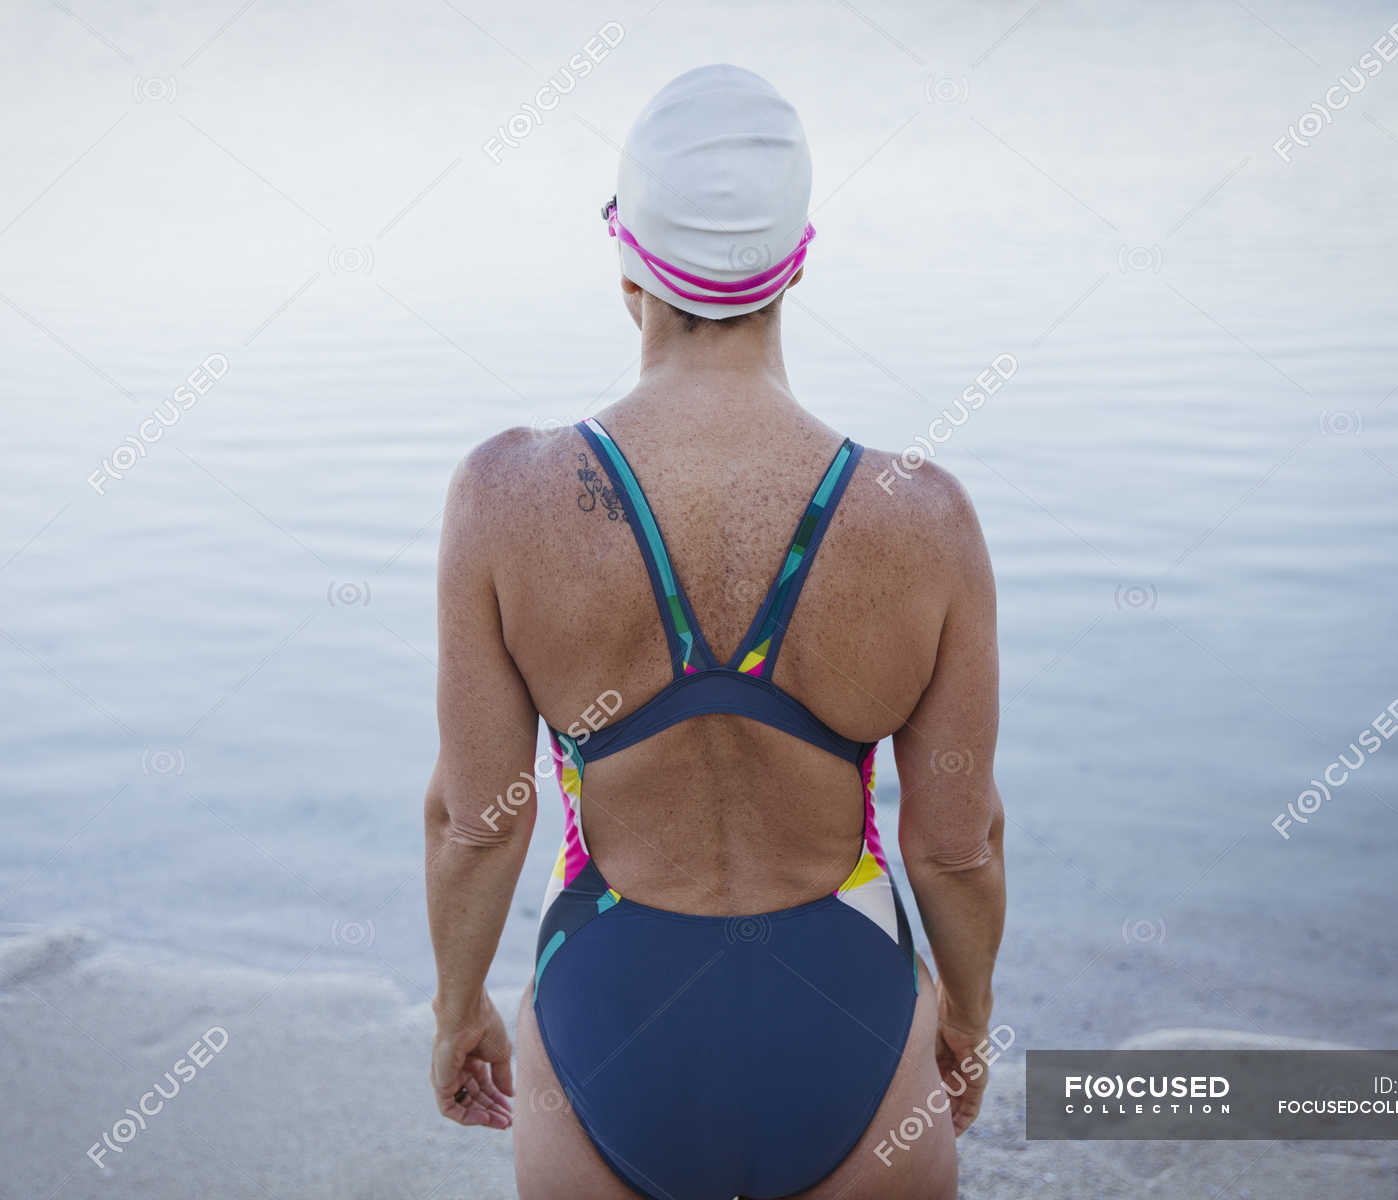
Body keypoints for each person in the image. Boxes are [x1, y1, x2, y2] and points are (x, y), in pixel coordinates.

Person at [424, 64, 1005, 1199]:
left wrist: (459, 1010)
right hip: (855, 1028)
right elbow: (955, 843)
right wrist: (968, 1021)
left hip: (608, 1030)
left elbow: (475, 819)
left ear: (626, 256)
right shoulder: (923, 518)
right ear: (800, 260)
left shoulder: (506, 496)